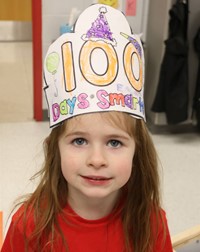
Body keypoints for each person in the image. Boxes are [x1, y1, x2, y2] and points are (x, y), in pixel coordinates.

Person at [1, 4, 173, 252]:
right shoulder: (29, 225)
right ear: (54, 148)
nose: (96, 159)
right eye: (79, 141)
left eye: (114, 142)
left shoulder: (150, 222)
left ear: (138, 150)